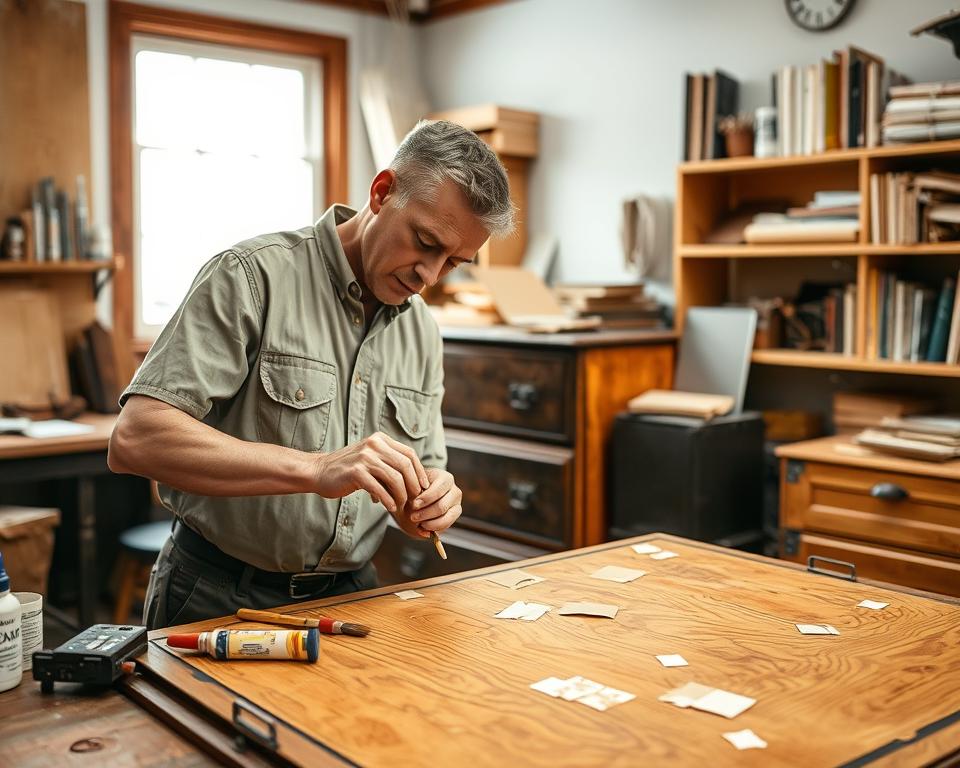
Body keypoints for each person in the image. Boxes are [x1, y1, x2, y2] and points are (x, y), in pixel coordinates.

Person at [108, 119, 514, 629]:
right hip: (217, 597)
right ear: (382, 192)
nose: (428, 276)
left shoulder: (423, 333)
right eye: (425, 242)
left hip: (350, 601)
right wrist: (316, 469)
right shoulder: (251, 277)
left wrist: (429, 503)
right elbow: (136, 440)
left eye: (454, 262)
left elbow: (417, 488)